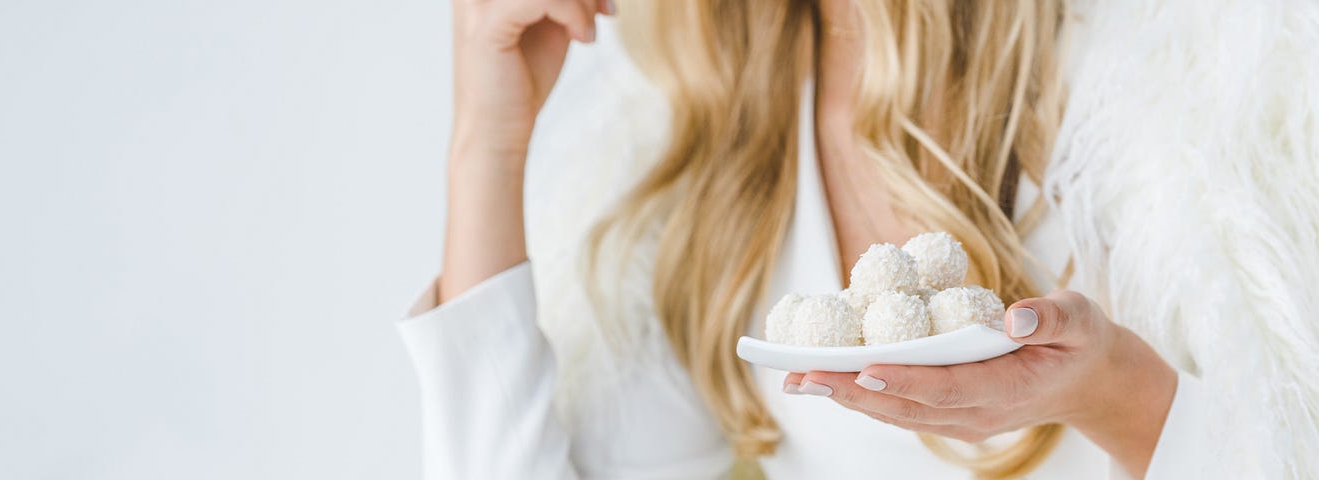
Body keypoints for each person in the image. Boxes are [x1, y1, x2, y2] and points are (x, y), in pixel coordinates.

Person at [399, 0, 1319, 478]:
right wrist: (487, 145)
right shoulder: (727, 153)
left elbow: (1285, 444)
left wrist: (1116, 394)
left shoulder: (1179, 77)